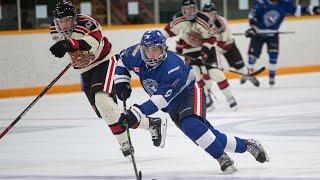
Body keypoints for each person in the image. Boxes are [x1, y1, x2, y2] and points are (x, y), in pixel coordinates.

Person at [114, 30, 270, 173]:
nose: (152, 55)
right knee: (206, 136)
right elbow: (120, 59)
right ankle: (247, 145)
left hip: (188, 94)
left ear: (163, 49)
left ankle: (221, 157)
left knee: (192, 126)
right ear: (142, 49)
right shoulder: (134, 54)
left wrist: (136, 112)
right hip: (171, 106)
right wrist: (122, 80)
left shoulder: (172, 67)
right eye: (148, 50)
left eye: (156, 50)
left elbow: (159, 101)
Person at [48, 1, 167, 159]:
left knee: (102, 101)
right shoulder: (54, 30)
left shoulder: (87, 24)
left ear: (75, 18)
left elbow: (93, 43)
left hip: (105, 62)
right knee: (105, 111)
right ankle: (148, 125)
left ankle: (129, 137)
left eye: (67, 20)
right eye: (60, 21)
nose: (63, 24)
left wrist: (70, 43)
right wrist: (66, 47)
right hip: (86, 71)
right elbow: (71, 49)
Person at [163, 0, 238, 112]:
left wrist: (203, 54)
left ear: (196, 8)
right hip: (189, 51)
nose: (189, 11)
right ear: (183, 10)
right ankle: (207, 98)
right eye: (187, 9)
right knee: (194, 76)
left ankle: (229, 97)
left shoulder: (204, 19)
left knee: (216, 74)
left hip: (207, 48)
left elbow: (211, 39)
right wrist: (160, 43)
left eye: (191, 8)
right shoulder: (179, 20)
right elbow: (167, 32)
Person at [245, 0, 320, 86]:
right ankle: (249, 74)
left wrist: (313, 9)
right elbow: (252, 15)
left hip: (273, 33)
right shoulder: (260, 2)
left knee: (273, 56)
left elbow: (297, 10)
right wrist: (252, 28)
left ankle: (272, 76)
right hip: (258, 33)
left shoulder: (285, 4)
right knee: (252, 56)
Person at [202, 2, 260, 87]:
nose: (209, 16)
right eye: (206, 14)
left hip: (228, 46)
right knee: (210, 70)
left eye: (211, 13)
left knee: (240, 66)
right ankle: (207, 91)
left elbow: (223, 41)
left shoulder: (220, 22)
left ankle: (248, 76)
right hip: (213, 47)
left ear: (215, 13)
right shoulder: (202, 22)